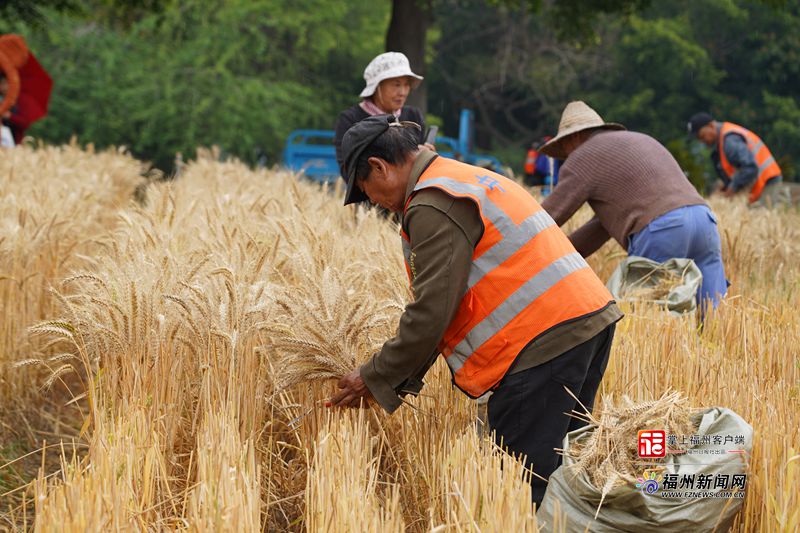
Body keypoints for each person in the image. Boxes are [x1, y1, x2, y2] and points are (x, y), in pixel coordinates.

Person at [331, 115, 623, 507]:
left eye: (367, 191)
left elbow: (433, 309)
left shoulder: (433, 201)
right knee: (559, 477)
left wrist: (376, 375)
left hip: (539, 344)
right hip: (584, 324)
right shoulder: (461, 177)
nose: (376, 204)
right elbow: (446, 307)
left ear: (379, 167)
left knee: (518, 491)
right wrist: (389, 377)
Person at [539, 101, 728, 311]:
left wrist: (526, 256)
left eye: (564, 148)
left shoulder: (583, 156)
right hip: (704, 221)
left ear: (573, 138)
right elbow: (600, 228)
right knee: (712, 312)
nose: (566, 156)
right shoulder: (639, 140)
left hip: (663, 229)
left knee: (648, 316)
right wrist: (562, 258)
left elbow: (545, 219)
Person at [334, 52, 428, 184]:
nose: (403, 92)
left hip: (408, 202)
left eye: (406, 85)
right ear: (377, 87)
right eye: (396, 84)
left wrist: (427, 158)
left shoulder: (413, 117)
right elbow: (348, 171)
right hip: (368, 201)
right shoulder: (351, 119)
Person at [688, 112, 789, 208]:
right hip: (761, 182)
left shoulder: (730, 141)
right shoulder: (723, 141)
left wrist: (732, 188)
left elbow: (749, 167)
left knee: (764, 218)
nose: (702, 141)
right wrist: (724, 186)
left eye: (701, 136)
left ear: (711, 126)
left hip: (767, 181)